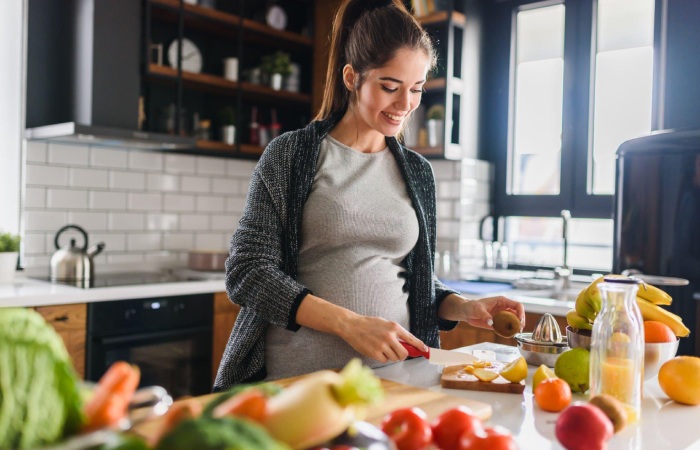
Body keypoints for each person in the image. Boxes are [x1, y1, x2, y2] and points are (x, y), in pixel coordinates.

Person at [213, 0, 525, 390]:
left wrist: (461, 307)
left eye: (416, 89)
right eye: (390, 87)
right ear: (351, 78)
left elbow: (414, 281)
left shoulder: (417, 172)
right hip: (298, 383)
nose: (405, 104)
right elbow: (247, 273)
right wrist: (349, 325)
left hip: (395, 381)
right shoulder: (292, 156)